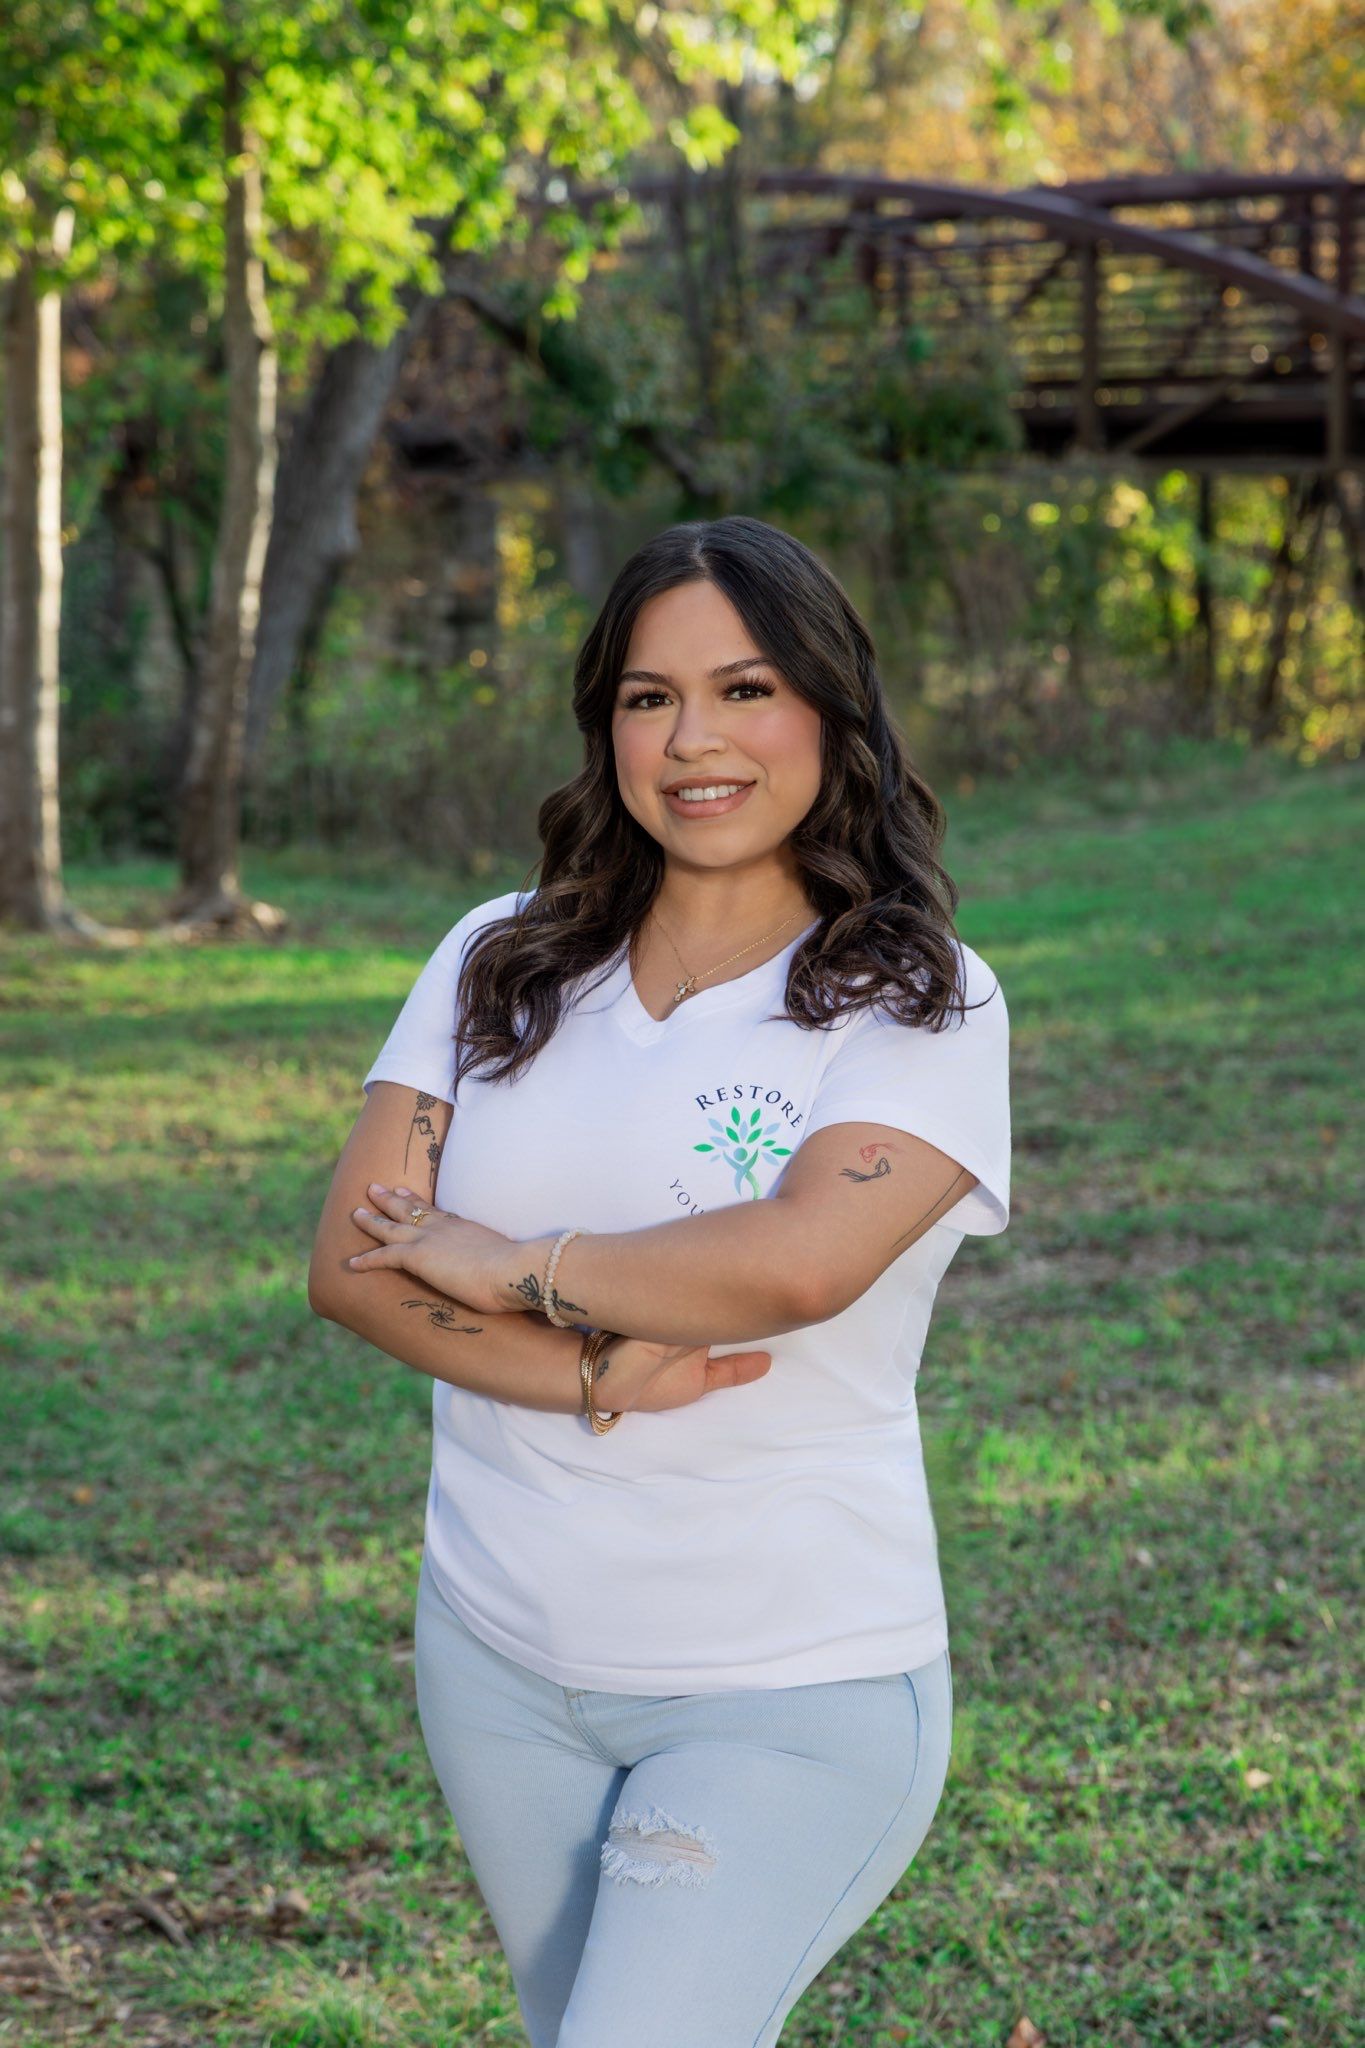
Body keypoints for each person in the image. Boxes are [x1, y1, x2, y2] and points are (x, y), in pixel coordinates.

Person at [307, 514, 1011, 2047]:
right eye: (647, 696)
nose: (693, 740)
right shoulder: (498, 960)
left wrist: (518, 1267)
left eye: (745, 689)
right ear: (605, 725)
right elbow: (355, 1269)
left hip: (787, 1689)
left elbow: (796, 1261)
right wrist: (580, 1370)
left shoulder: (916, 1000)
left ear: (831, 710)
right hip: (496, 1662)